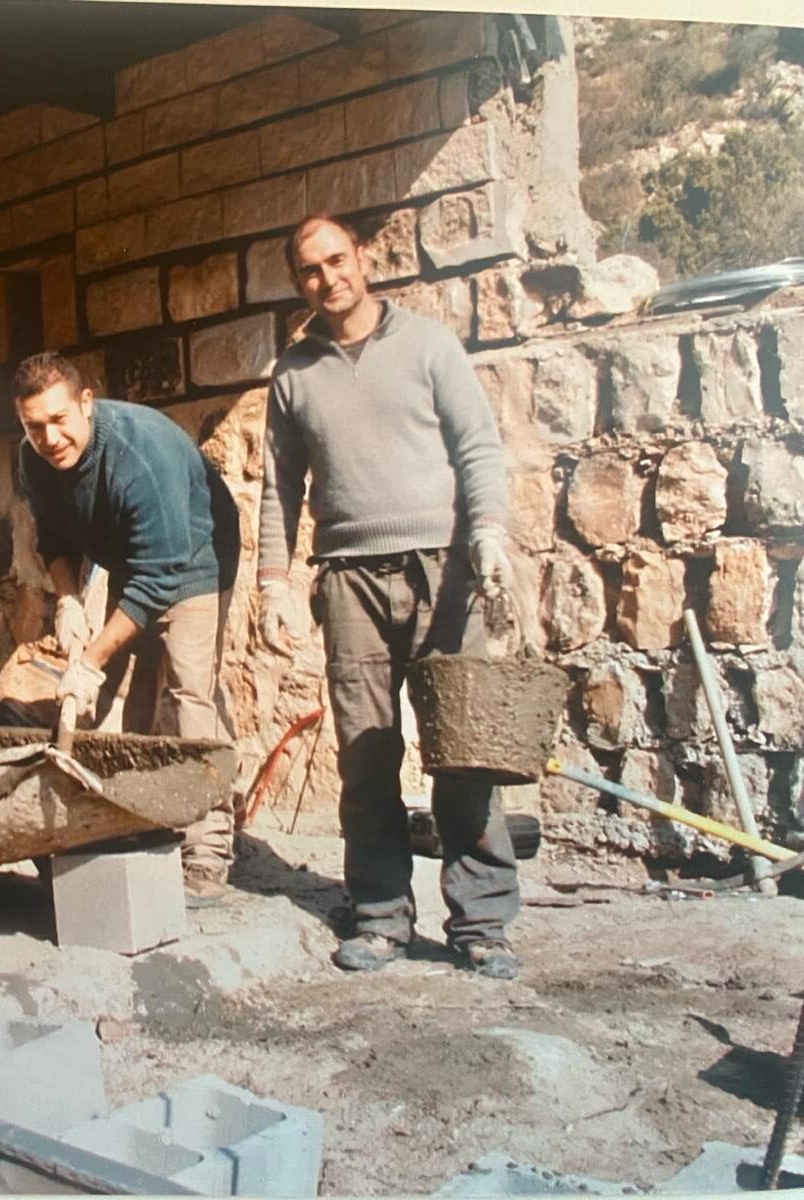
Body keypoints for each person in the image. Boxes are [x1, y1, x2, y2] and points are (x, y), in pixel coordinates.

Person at [257, 213, 520, 979]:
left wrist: (491, 534)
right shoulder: (293, 374)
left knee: (462, 752)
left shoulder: (430, 345)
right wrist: (275, 584)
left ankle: (481, 925)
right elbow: (279, 490)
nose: (328, 277)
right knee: (366, 755)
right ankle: (378, 917)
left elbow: (477, 445)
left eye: (337, 259)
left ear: (362, 258)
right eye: (309, 269)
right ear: (297, 282)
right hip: (347, 579)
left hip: (444, 571)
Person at [13, 350, 240, 903]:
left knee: (188, 692)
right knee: (127, 704)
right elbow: (57, 541)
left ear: (86, 404)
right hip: (131, 554)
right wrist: (68, 600)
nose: (50, 438)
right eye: (35, 426)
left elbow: (160, 576)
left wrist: (90, 661)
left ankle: (207, 847)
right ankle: (134, 821)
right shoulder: (33, 457)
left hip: (195, 552)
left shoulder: (140, 453)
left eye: (60, 420)